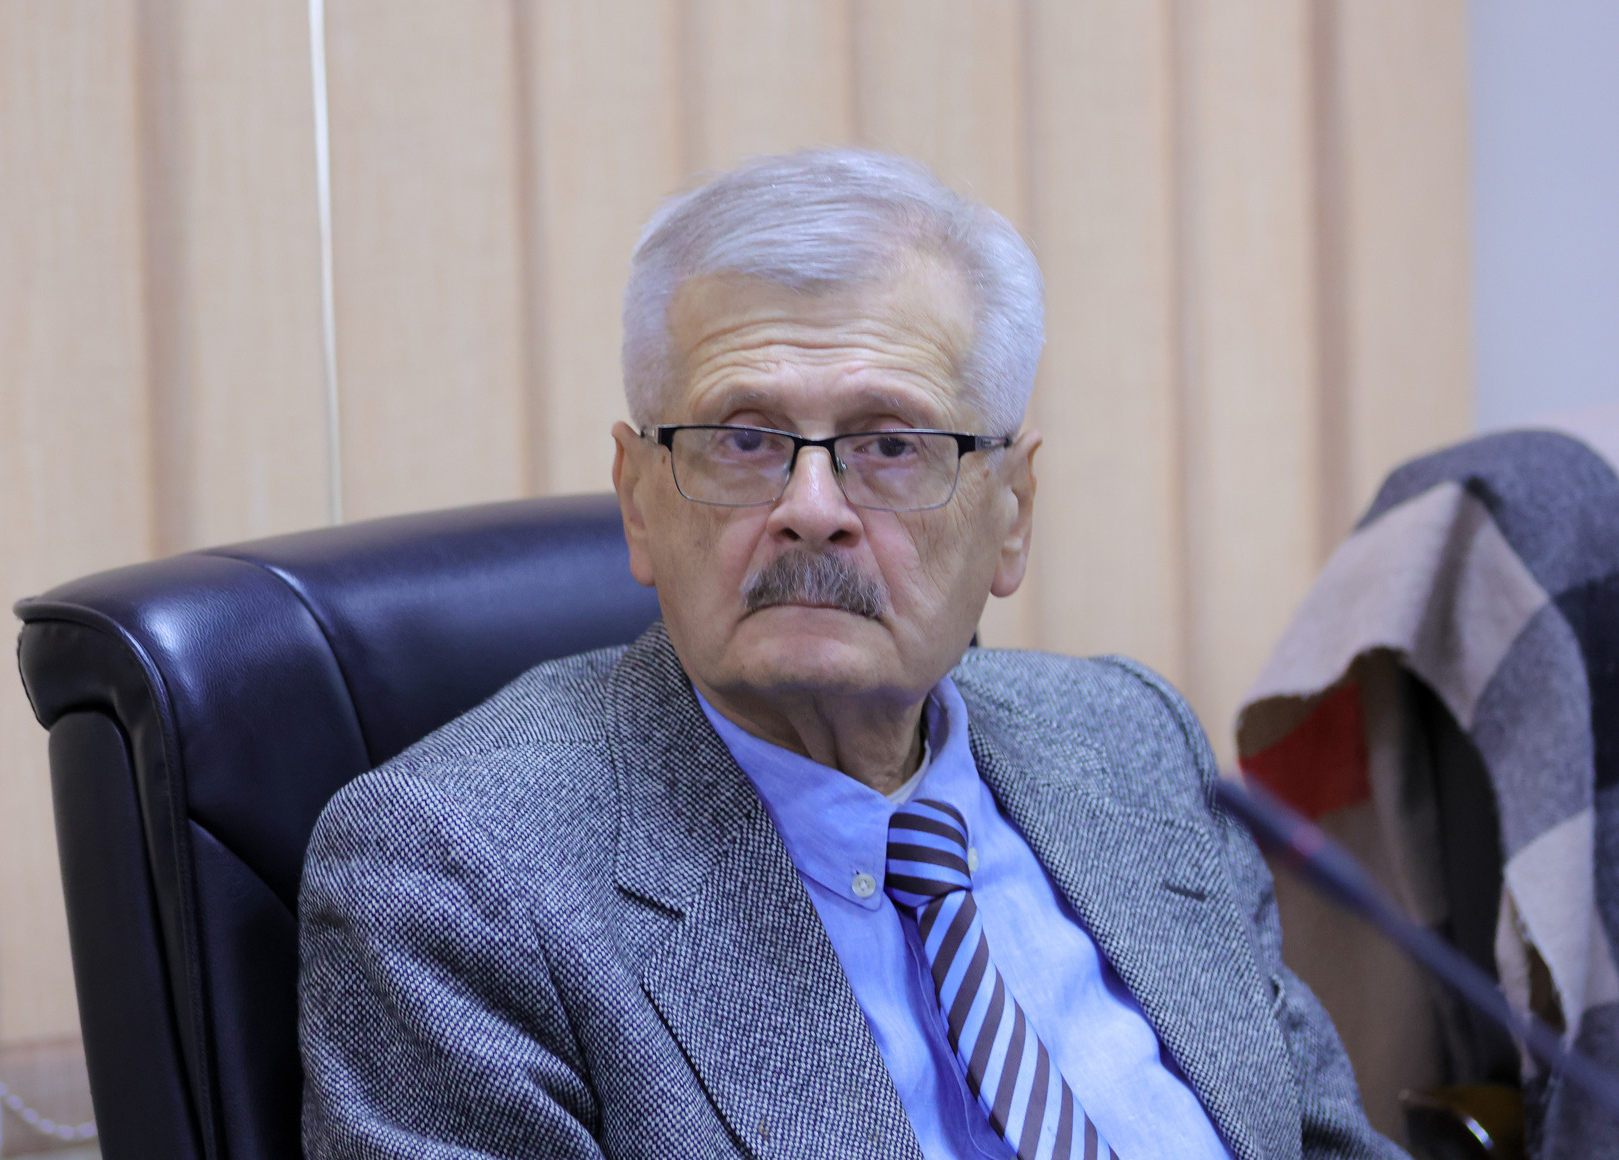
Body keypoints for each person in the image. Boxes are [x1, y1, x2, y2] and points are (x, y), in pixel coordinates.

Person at [299, 149, 1403, 1160]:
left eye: (890, 444)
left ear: (1012, 515)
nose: (813, 508)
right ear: (638, 502)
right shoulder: (455, 873)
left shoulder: (1130, 742)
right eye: (744, 438)